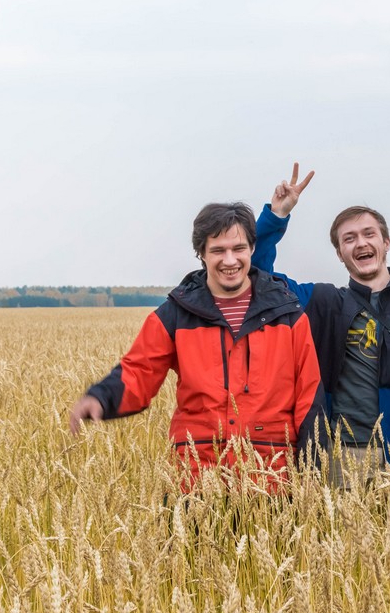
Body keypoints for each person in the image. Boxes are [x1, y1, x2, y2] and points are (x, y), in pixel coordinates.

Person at [69, 202, 323, 490]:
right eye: (218, 251)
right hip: (197, 478)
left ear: (252, 249)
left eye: (238, 248)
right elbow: (140, 369)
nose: (230, 260)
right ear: (201, 253)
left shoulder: (287, 314)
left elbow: (309, 396)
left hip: (270, 478)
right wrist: (101, 397)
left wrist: (312, 473)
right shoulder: (177, 314)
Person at [252, 165, 390, 483]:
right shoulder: (323, 301)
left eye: (369, 234)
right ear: (340, 254)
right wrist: (277, 216)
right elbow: (258, 277)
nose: (360, 243)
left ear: (386, 242)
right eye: (349, 239)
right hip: (341, 456)